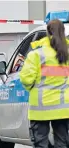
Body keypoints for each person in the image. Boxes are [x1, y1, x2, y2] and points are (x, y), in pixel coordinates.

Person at [19, 19, 69, 148]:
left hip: (40, 109)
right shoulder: (67, 54)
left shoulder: (37, 54)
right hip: (63, 109)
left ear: (47, 32)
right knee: (62, 144)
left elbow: (26, 79)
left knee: (41, 144)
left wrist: (33, 88)